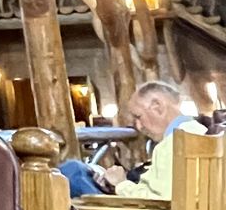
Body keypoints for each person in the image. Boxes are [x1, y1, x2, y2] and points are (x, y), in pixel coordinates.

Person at [58, 79, 206, 201]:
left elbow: (161, 201)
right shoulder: (200, 134)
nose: (139, 127)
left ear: (157, 106)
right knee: (79, 171)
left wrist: (120, 184)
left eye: (138, 117)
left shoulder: (175, 143)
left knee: (71, 172)